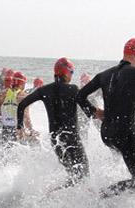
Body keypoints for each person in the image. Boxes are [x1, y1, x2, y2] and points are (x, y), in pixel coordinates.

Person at [74, 38, 135, 198]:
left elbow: (79, 96)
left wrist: (94, 111)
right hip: (125, 135)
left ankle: (113, 199)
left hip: (106, 134)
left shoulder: (104, 74)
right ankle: (101, 195)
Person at [16, 58, 89, 187]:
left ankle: (52, 194)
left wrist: (20, 127)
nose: (72, 75)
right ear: (66, 72)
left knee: (73, 175)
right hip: (72, 139)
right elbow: (88, 110)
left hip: (56, 140)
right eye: (72, 72)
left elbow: (22, 105)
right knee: (84, 175)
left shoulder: (44, 90)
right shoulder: (73, 89)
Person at [0, 71, 34, 143]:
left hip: (5, 129)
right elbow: (26, 117)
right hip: (18, 130)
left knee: (5, 150)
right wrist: (31, 131)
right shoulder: (24, 97)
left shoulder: (2, 94)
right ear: (22, 84)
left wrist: (1, 117)